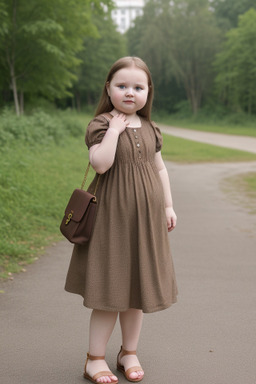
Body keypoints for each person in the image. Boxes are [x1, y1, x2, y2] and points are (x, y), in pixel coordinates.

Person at [65, 56, 178, 384]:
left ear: (148, 92)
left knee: (136, 291)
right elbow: (101, 164)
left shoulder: (151, 128)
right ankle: (94, 359)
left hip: (145, 221)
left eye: (138, 87)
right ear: (109, 88)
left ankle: (129, 352)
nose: (130, 93)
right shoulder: (101, 124)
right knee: (110, 290)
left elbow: (160, 169)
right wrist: (114, 129)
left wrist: (168, 206)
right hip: (111, 221)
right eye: (122, 86)